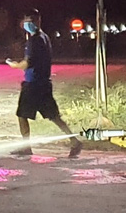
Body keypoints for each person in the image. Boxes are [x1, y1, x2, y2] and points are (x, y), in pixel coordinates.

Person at [11, 10, 79, 152]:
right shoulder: (45, 37)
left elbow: (27, 63)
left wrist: (14, 65)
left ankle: (26, 147)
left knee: (22, 115)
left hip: (33, 85)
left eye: (28, 21)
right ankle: (74, 141)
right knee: (54, 116)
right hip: (44, 84)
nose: (25, 24)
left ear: (36, 21)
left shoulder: (34, 40)